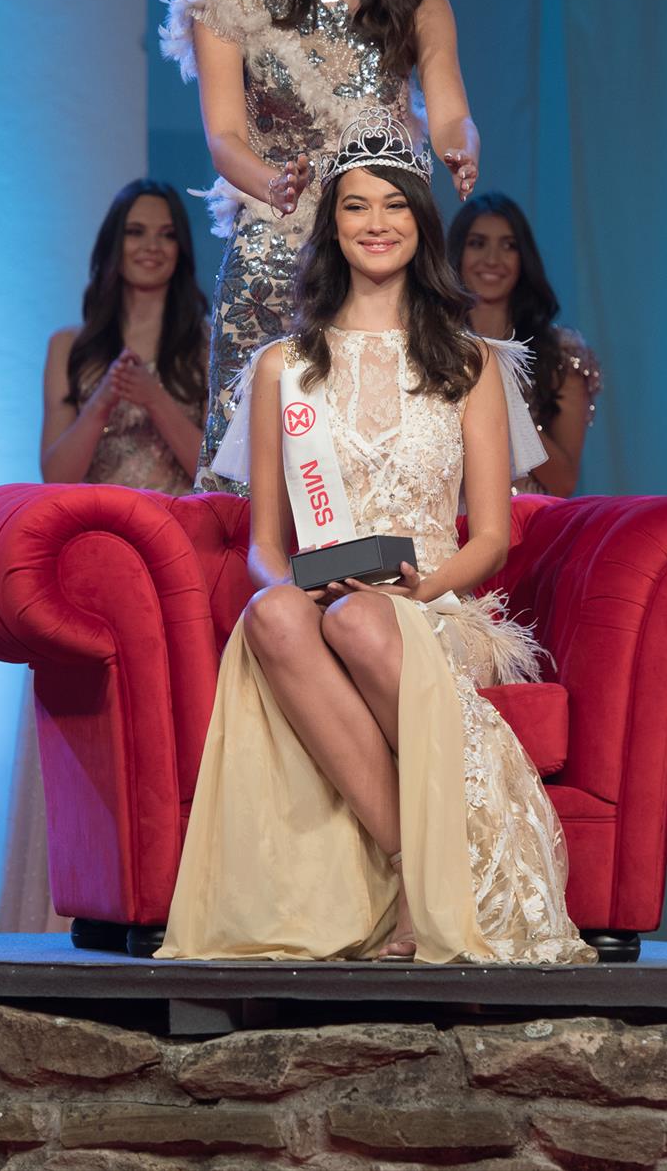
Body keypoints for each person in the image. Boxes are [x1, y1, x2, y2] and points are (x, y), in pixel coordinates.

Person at [156, 114, 590, 965]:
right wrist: (297, 584)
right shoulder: (285, 367)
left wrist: (420, 589)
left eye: (395, 205)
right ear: (334, 226)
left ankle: (419, 882)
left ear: (421, 225)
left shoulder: (469, 363)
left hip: (433, 605)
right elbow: (264, 545)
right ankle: (411, 864)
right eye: (356, 206)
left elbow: (492, 537)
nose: (377, 222)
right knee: (273, 616)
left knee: (359, 620)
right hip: (325, 599)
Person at [162, 0, 481, 491]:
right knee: (255, 484)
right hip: (276, 260)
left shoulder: (417, 1)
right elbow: (224, 137)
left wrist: (460, 146)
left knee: (377, 472)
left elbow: (449, 109)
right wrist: (272, 183)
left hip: (377, 256)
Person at [0, 179, 210, 935]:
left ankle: (169, 906)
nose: (151, 247)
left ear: (181, 249)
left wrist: (156, 400)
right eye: (136, 232)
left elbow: (215, 470)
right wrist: (102, 402)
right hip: (88, 563)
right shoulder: (71, 347)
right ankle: (78, 901)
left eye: (165, 233)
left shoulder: (206, 344)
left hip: (175, 562)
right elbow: (54, 473)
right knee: (88, 731)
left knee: (164, 733)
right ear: (113, 248)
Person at [448, 193, 601, 495]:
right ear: (457, 253)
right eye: (477, 243)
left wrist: (505, 404)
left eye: (509, 246)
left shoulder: (561, 354)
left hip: (529, 520)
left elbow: (564, 482)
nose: (492, 259)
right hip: (447, 518)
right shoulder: (433, 348)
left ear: (524, 258)